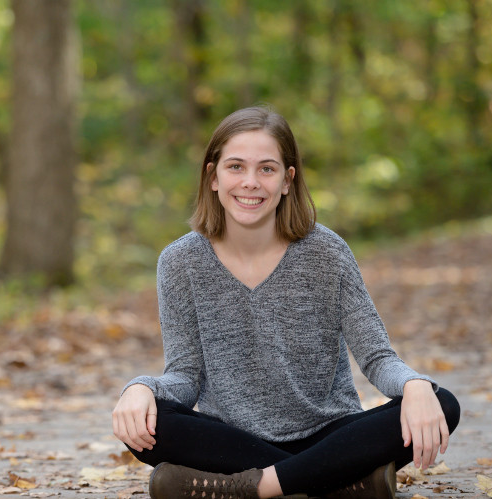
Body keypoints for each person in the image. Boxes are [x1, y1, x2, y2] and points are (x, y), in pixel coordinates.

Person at [112, 106, 460, 499]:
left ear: (287, 181)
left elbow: (377, 358)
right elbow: (185, 376)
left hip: (329, 433)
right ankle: (339, 482)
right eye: (236, 167)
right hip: (231, 442)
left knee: (441, 402)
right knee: (146, 422)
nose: (250, 183)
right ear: (213, 177)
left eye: (266, 169)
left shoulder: (327, 252)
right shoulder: (180, 262)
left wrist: (414, 385)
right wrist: (140, 388)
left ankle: (256, 489)